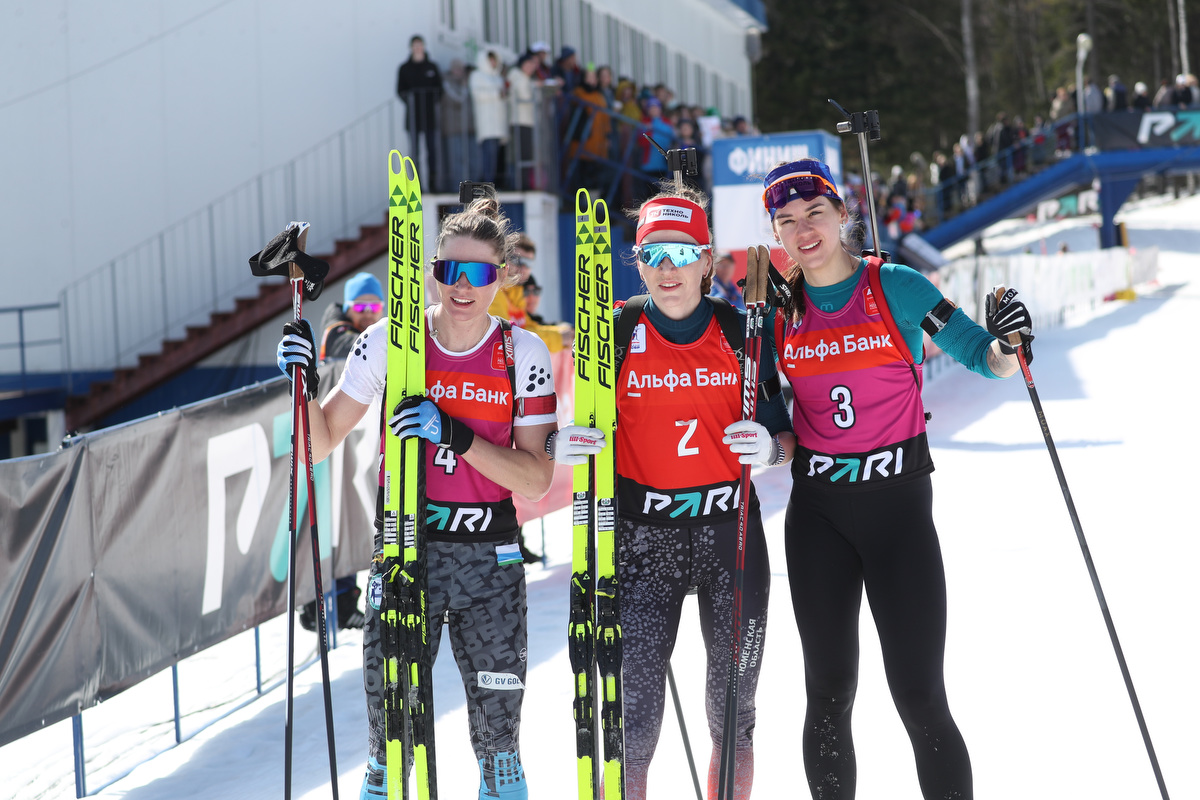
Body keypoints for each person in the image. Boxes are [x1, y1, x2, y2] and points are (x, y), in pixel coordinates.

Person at [761, 158, 1034, 800]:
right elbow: (775, 429)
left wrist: (1008, 344)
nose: (804, 230)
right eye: (787, 221)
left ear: (842, 214)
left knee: (919, 694)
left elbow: (982, 356)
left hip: (899, 511)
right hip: (818, 517)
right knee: (828, 692)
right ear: (776, 234)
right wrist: (766, 447)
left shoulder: (896, 286)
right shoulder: (777, 313)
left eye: (815, 213)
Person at [276, 194, 560, 800]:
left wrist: (456, 436)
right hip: (407, 548)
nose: (462, 285)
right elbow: (317, 443)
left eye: (478, 272)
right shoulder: (390, 341)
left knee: (501, 754)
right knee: (388, 750)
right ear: (431, 272)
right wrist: (301, 383)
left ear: (500, 278)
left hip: (490, 558)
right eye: (449, 269)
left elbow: (536, 478)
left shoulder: (522, 352)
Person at [558, 185, 795, 800]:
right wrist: (569, 440)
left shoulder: (742, 331)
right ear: (637, 262)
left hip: (730, 537)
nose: (668, 268)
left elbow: (786, 435)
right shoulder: (614, 331)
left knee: (733, 712)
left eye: (683, 252)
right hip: (643, 543)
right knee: (632, 722)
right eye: (653, 254)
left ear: (706, 258)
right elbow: (582, 424)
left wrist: (772, 449)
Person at [295, 272, 387, 633]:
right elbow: (348, 345)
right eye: (360, 307)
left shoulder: (369, 331)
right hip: (327, 441)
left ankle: (341, 599)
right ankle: (315, 602)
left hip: (349, 444)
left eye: (375, 306)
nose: (368, 313)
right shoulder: (338, 330)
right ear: (348, 308)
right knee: (326, 523)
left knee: (345, 523)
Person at [396, 35, 443, 193]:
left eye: (420, 45)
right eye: (415, 46)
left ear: (424, 47)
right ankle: (416, 185)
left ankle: (433, 184)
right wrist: (411, 101)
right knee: (414, 153)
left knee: (432, 151)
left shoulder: (432, 67)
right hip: (413, 117)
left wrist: (430, 100)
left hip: (429, 116)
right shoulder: (404, 68)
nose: (418, 48)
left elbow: (439, 90)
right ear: (411, 48)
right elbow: (400, 90)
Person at [470, 50, 508, 185]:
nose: (493, 62)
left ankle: (493, 182)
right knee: (487, 153)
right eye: (490, 59)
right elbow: (478, 94)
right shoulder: (477, 75)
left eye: (494, 59)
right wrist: (496, 93)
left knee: (496, 155)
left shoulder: (498, 77)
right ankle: (487, 182)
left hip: (499, 124)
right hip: (486, 123)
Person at [442, 58, 477, 194]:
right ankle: (458, 189)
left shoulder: (467, 83)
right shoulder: (448, 82)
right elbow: (458, 99)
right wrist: (464, 86)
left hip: (469, 128)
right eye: (457, 69)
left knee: (472, 161)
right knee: (456, 161)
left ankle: (472, 189)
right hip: (454, 129)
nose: (460, 72)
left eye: (461, 69)